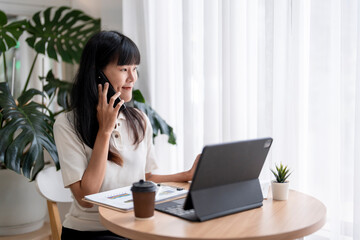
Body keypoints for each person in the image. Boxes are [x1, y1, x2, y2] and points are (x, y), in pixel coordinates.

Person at [53, 31, 199, 240]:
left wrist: (186, 176)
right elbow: (86, 197)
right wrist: (104, 131)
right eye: (124, 69)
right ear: (97, 73)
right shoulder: (67, 125)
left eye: (135, 69)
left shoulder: (139, 120)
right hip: (91, 231)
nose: (133, 78)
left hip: (135, 225)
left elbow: (145, 179)